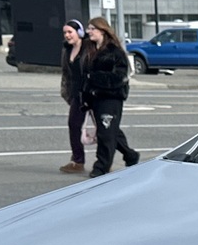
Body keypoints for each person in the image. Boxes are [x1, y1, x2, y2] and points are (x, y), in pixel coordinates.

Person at [80, 17, 141, 175]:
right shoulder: (91, 50)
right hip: (94, 98)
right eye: (88, 28)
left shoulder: (114, 52)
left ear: (102, 30)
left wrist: (94, 77)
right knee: (110, 130)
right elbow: (84, 75)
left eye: (92, 28)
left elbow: (119, 78)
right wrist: (85, 97)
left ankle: (101, 167)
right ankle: (130, 155)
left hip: (111, 98)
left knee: (105, 133)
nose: (89, 31)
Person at [57, 19, 92, 175]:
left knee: (105, 128)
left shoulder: (89, 48)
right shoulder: (67, 50)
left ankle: (117, 156)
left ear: (79, 33)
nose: (67, 35)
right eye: (65, 32)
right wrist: (67, 93)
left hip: (92, 92)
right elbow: (66, 73)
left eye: (70, 32)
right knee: (74, 125)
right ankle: (78, 160)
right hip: (77, 94)